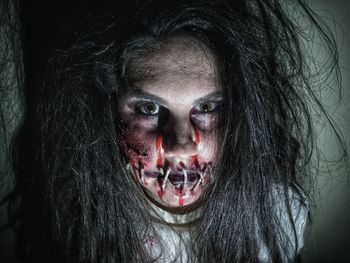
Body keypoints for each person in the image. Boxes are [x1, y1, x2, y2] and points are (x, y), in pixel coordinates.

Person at [0, 0, 345, 262]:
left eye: (207, 108)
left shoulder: (276, 218)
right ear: (105, 110)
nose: (181, 147)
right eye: (149, 109)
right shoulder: (71, 219)